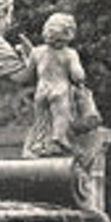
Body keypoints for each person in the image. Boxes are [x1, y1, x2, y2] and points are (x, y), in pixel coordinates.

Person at [24, 12, 90, 158]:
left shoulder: (37, 52)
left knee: (41, 119)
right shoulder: (69, 54)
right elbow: (78, 76)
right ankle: (59, 139)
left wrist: (25, 58)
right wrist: (79, 78)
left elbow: (27, 76)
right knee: (60, 117)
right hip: (60, 90)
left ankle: (40, 144)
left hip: (41, 90)